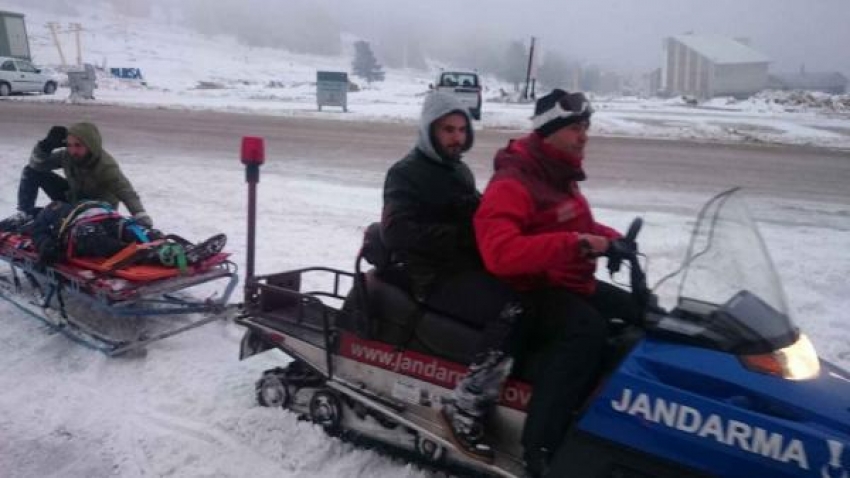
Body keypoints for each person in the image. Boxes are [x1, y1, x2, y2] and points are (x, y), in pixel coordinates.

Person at [473, 89, 642, 476]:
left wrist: (612, 240)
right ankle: (540, 446)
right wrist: (578, 245)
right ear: (549, 130)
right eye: (574, 128)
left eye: (586, 127)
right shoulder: (514, 180)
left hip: (566, 279)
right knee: (586, 331)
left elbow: (575, 225)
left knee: (639, 314)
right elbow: (499, 252)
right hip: (528, 289)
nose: (583, 136)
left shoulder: (558, 174)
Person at [380, 91, 523, 463]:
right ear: (430, 130)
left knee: (531, 290)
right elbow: (396, 232)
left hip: (465, 266)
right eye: (448, 129)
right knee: (510, 309)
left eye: (461, 129)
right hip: (431, 277)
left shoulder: (457, 169)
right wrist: (459, 234)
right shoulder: (405, 172)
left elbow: (478, 214)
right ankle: (466, 405)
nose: (456, 137)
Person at [13, 123, 153, 228]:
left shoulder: (105, 166)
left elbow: (126, 191)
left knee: (53, 218)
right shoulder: (67, 155)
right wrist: (45, 146)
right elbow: (36, 165)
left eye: (78, 145)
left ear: (90, 145)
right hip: (73, 199)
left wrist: (140, 215)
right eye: (69, 145)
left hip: (96, 211)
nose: (73, 150)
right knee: (31, 171)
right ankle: (25, 214)